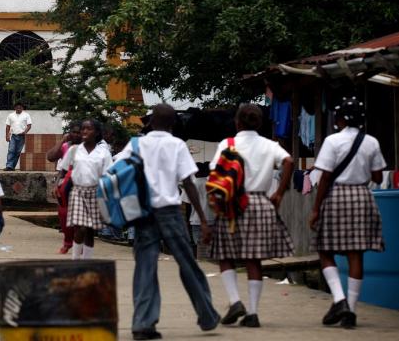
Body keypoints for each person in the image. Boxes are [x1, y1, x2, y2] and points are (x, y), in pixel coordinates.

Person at [124, 104, 220, 339]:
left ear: (149, 122)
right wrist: (203, 220)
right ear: (174, 123)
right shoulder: (177, 145)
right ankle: (207, 316)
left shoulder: (136, 144)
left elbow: (123, 174)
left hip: (144, 212)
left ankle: (142, 323)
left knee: (145, 266)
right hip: (169, 211)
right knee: (188, 263)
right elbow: (188, 182)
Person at [210, 103, 294, 328]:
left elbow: (215, 172)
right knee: (253, 259)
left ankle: (235, 301)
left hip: (233, 203)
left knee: (225, 256)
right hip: (261, 203)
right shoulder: (270, 145)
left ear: (237, 122)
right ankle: (254, 313)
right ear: (260, 123)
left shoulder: (228, 144)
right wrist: (279, 193)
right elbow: (289, 161)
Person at [310, 96, 385, 329]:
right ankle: (350, 311)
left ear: (340, 118)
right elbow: (378, 177)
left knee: (325, 250)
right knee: (356, 254)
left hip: (337, 196)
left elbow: (324, 177)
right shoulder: (371, 142)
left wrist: (315, 209)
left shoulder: (332, 141)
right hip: (362, 197)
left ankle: (339, 299)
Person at [67, 118, 112, 260]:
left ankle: (87, 261)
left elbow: (109, 175)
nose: (84, 131)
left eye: (89, 128)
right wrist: (58, 185)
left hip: (95, 192)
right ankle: (75, 260)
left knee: (90, 230)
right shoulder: (74, 150)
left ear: (97, 132)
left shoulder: (103, 152)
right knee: (80, 227)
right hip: (78, 191)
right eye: (83, 128)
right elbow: (63, 170)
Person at [45, 121, 82, 254]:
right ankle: (68, 241)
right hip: (66, 183)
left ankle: (79, 245)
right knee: (63, 214)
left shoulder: (90, 147)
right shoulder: (67, 147)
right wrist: (62, 141)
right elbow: (51, 157)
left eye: (79, 132)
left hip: (83, 184)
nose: (77, 135)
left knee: (80, 217)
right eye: (74, 132)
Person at [181, 162, 214, 258]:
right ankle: (210, 261)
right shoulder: (212, 184)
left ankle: (201, 260)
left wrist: (187, 220)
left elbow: (187, 204)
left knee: (198, 243)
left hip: (196, 219)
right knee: (210, 244)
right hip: (211, 218)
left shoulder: (192, 184)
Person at [4, 102, 32, 170]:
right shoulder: (10, 115)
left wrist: (25, 132)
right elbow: (8, 126)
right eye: (17, 107)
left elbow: (29, 125)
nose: (19, 109)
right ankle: (9, 166)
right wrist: (7, 135)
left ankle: (12, 167)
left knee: (17, 152)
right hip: (13, 135)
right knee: (11, 150)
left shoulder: (26, 115)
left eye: (20, 107)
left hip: (22, 136)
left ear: (22, 108)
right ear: (15, 108)